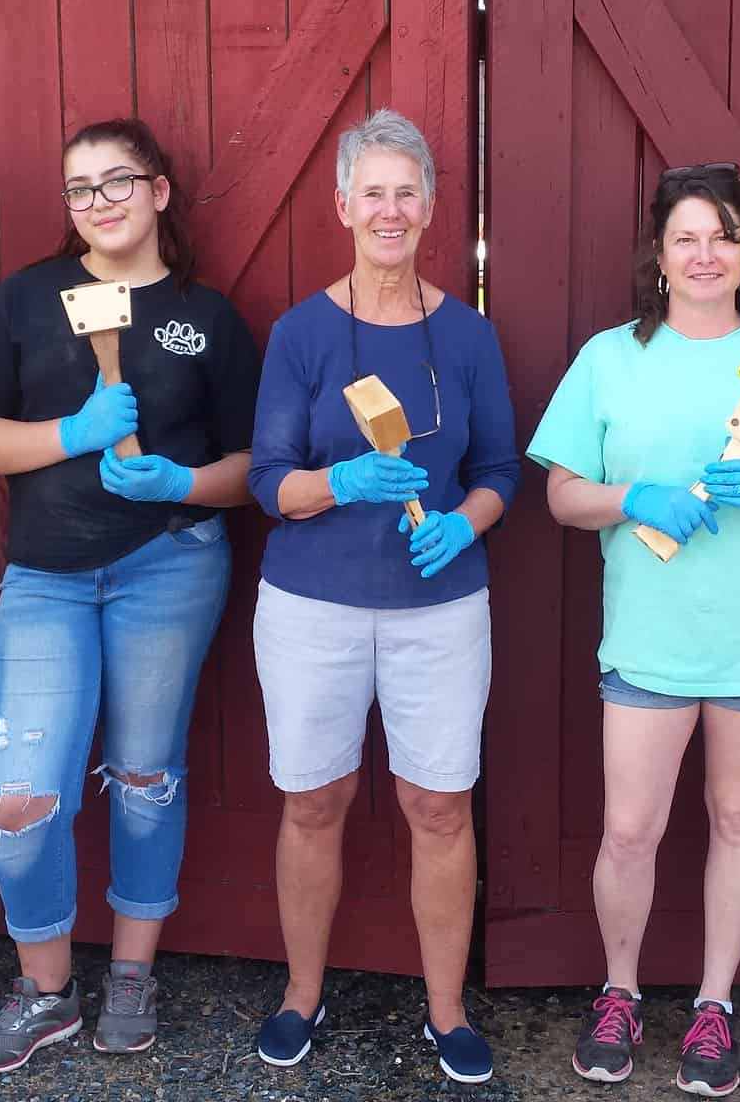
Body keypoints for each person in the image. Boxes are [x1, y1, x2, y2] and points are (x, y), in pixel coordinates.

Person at [527, 161, 740, 1098]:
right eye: (687, 236)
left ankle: (715, 1006)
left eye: (723, 235)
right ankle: (620, 991)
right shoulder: (609, 358)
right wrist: (634, 495)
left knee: (738, 816)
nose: (705, 252)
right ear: (661, 256)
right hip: (650, 634)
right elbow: (559, 495)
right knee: (630, 830)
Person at [0, 118, 260, 1072]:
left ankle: (130, 972)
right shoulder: (28, 302)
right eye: (79, 188)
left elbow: (251, 468)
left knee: (145, 776)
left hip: (171, 562)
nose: (98, 202)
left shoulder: (206, 316)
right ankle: (46, 990)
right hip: (46, 577)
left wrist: (180, 482)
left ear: (160, 190)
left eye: (116, 181)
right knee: (20, 801)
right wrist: (73, 433)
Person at [247, 108, 518, 1086]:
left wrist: (466, 521)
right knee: (314, 798)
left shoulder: (469, 335)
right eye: (373, 192)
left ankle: (444, 1013)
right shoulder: (302, 333)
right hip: (311, 605)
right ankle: (299, 993)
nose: (390, 209)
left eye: (408, 191)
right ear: (342, 206)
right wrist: (339, 486)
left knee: (438, 803)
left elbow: (499, 470)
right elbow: (268, 482)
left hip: (439, 609)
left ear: (433, 206)